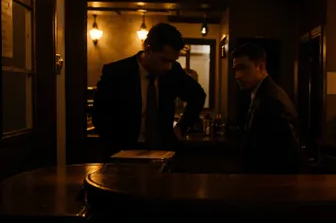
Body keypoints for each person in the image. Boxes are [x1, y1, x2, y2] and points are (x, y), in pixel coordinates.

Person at [93, 23, 206, 156]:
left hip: (162, 150)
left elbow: (198, 95)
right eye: (164, 60)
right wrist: (114, 143)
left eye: (172, 61)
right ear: (148, 50)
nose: (168, 67)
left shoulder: (173, 71)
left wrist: (181, 127)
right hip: (122, 151)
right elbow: (100, 115)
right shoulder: (116, 72)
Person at [232, 43, 302, 174]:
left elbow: (285, 154)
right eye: (235, 70)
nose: (238, 76)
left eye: (243, 68)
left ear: (260, 67)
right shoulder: (263, 93)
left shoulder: (271, 99)